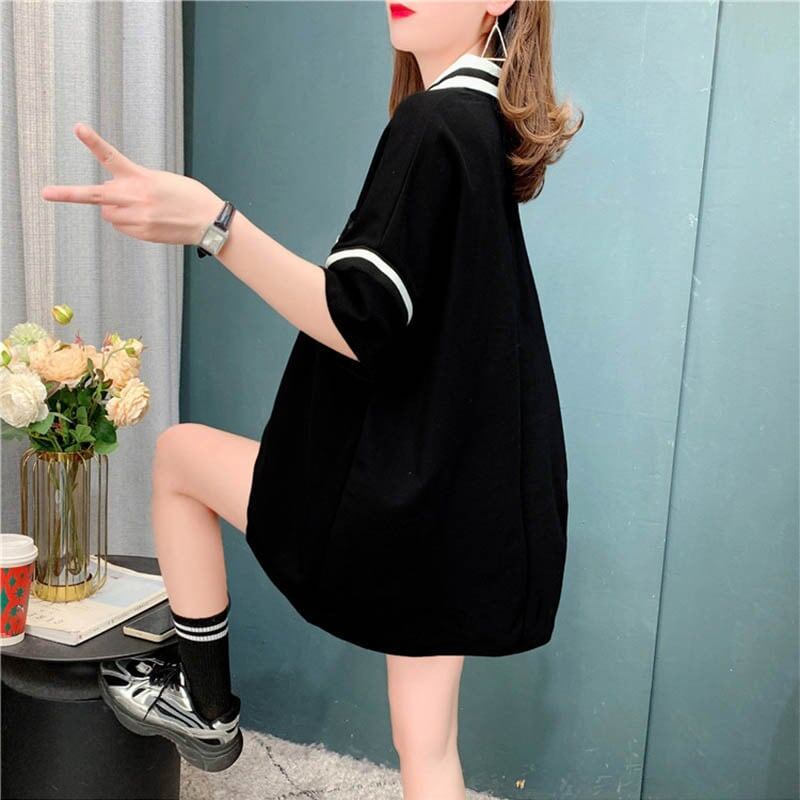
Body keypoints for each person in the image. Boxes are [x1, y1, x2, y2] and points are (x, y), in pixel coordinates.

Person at [40, 1, 582, 795]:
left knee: (178, 458)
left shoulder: (434, 122)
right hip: (462, 504)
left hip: (398, 506)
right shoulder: (483, 124)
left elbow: (359, 317)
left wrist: (214, 225)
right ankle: (204, 708)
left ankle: (206, 706)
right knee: (427, 745)